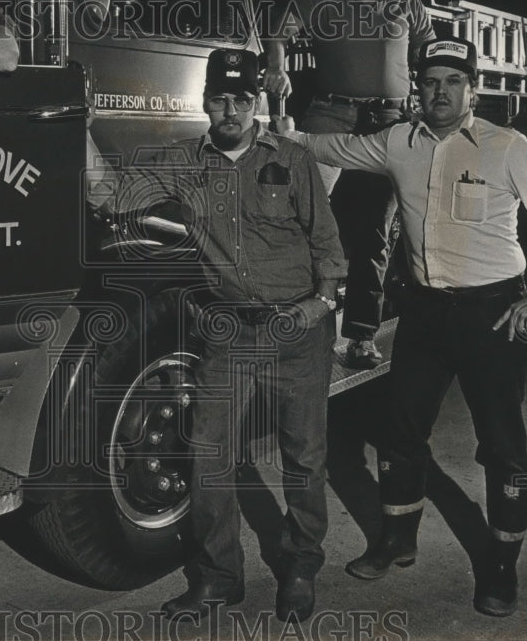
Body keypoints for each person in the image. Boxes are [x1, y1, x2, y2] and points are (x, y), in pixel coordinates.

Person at [271, 37, 527, 617]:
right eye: (431, 81)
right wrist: (281, 130)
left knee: (502, 446)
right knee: (399, 432)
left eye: (453, 82)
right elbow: (332, 144)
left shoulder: (506, 147)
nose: (440, 92)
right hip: (423, 313)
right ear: (417, 86)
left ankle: (500, 566)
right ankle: (396, 541)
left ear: (473, 90)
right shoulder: (397, 142)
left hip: (493, 313)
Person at [95, 49, 347, 624]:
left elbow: (327, 244)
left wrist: (321, 305)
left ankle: (302, 565)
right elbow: (108, 195)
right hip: (229, 328)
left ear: (257, 101)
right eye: (218, 98)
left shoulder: (294, 159)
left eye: (241, 98)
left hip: (297, 326)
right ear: (204, 100)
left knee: (303, 458)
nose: (229, 110)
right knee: (208, 453)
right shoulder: (184, 162)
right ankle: (219, 577)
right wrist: (79, 122)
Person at [263, 0, 435, 370]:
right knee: (306, 218)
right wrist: (277, 66)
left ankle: (361, 336)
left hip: (390, 122)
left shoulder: (407, 2)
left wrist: (431, 107)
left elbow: (431, 58)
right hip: (330, 113)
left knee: (375, 231)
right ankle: (301, 331)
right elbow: (278, 33)